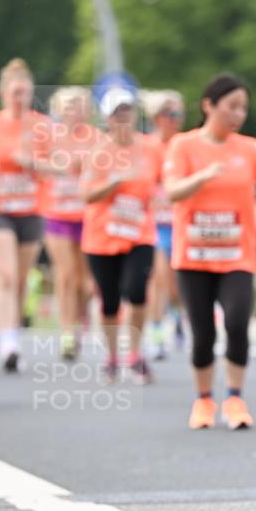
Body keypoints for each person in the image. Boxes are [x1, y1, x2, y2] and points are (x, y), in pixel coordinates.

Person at [164, 73, 256, 430]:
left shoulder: (246, 147)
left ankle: (235, 398)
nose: (238, 114)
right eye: (231, 106)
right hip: (194, 258)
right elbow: (172, 191)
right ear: (208, 105)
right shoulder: (183, 146)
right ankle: (204, 401)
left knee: (237, 324)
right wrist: (203, 176)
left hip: (237, 256)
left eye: (242, 108)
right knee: (203, 332)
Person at [81, 87, 162, 384]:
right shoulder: (98, 151)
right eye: (118, 113)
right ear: (108, 119)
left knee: (137, 289)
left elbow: (167, 179)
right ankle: (112, 356)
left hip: (139, 234)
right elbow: (86, 194)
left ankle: (135, 355)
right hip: (102, 237)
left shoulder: (150, 148)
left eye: (128, 111)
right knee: (110, 300)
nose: (124, 118)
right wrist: (114, 181)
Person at [0, 58, 50, 371]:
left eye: (25, 92)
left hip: (31, 208)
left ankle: (14, 334)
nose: (20, 97)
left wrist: (32, 163)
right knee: (7, 274)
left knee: (22, 279)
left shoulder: (41, 126)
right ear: (3, 93)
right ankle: (8, 343)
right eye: (15, 92)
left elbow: (60, 167)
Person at [43, 86, 101, 359]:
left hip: (87, 215)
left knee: (86, 282)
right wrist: (60, 165)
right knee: (65, 275)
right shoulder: (48, 137)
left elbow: (106, 167)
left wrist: (86, 163)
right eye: (68, 106)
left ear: (87, 110)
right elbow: (33, 164)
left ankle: (81, 315)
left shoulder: (97, 138)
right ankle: (67, 332)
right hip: (56, 214)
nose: (74, 111)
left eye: (79, 105)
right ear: (58, 109)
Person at [142, 90, 186, 359]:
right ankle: (157, 333)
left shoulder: (185, 144)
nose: (177, 120)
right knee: (158, 277)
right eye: (171, 114)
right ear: (157, 117)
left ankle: (179, 313)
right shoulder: (145, 146)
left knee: (175, 283)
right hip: (153, 223)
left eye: (180, 114)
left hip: (181, 222)